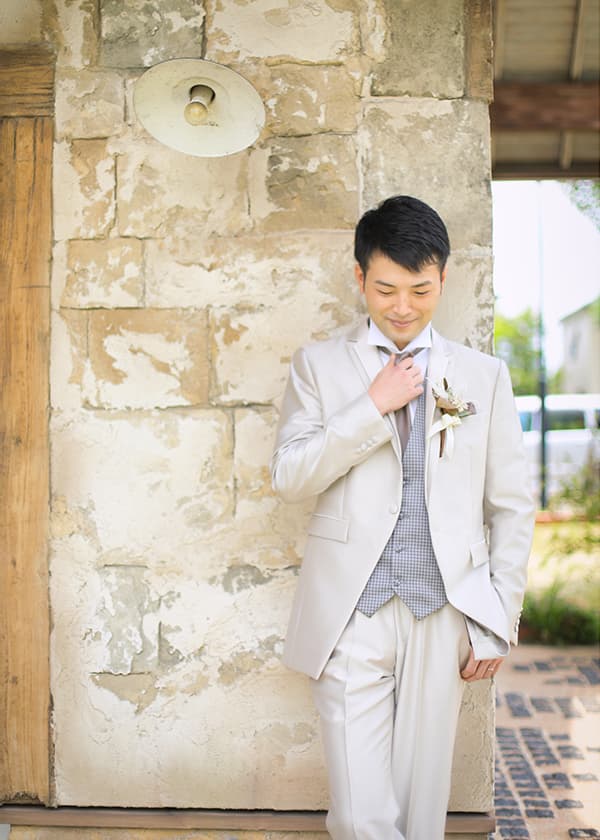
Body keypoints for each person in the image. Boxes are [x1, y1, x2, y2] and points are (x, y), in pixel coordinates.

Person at [271, 195, 534, 840]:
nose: (403, 307)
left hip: (444, 609)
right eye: (386, 289)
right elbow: (290, 477)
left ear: (442, 278)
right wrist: (371, 406)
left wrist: (497, 618)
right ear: (360, 277)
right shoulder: (318, 366)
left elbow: (511, 505)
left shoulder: (483, 376)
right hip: (350, 611)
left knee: (422, 810)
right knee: (361, 813)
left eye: (421, 290)